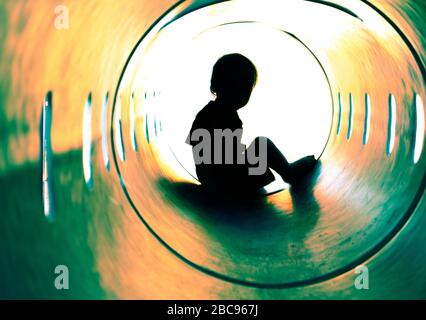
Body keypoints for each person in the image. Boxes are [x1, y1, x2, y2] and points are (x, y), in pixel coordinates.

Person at [186, 53, 317, 193]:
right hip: (227, 182)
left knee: (258, 147)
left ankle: (284, 172)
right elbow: (220, 158)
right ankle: (289, 173)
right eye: (234, 84)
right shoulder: (219, 115)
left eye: (245, 87)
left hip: (216, 180)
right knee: (262, 144)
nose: (240, 92)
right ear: (216, 85)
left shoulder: (209, 113)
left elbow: (201, 147)